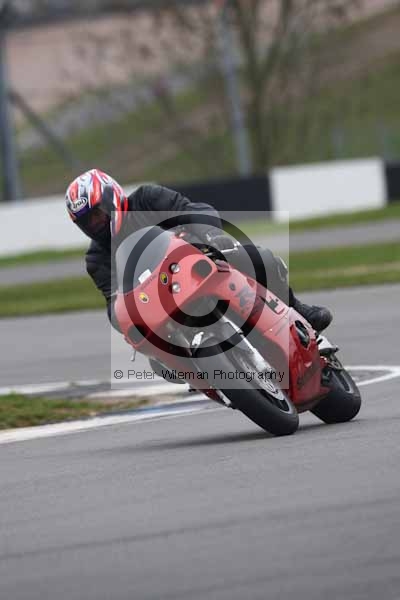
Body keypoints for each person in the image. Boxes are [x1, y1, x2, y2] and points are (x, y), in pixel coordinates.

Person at [66, 169, 332, 334]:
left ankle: (298, 310)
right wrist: (124, 320)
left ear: (111, 197)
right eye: (87, 222)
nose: (96, 224)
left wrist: (211, 235)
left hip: (200, 262)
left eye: (97, 214)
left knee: (257, 257)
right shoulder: (96, 258)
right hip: (162, 302)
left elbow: (193, 211)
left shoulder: (147, 198)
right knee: (150, 350)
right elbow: (114, 302)